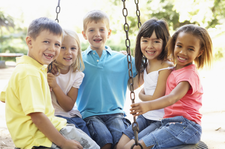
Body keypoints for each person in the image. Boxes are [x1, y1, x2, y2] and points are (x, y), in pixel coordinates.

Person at [0, 17, 99, 149]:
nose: (52, 49)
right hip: (37, 137)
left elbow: (5, 96)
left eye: (57, 44)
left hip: (49, 126)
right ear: (30, 42)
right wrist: (63, 142)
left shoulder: (31, 68)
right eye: (46, 42)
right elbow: (37, 117)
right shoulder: (29, 73)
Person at [128, 24, 213, 149]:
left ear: (199, 52)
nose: (183, 52)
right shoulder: (174, 69)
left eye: (190, 49)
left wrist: (148, 105)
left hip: (185, 126)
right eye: (179, 46)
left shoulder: (189, 74)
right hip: (170, 124)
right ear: (173, 45)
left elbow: (172, 97)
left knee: (137, 147)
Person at [76, 10, 137, 149]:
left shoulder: (122, 59)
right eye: (91, 30)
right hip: (90, 114)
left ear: (108, 33)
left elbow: (146, 67)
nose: (97, 34)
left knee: (119, 141)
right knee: (105, 140)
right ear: (84, 35)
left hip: (116, 113)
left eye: (101, 29)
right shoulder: (78, 60)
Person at [117, 18, 174, 149]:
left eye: (156, 41)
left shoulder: (166, 67)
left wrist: (142, 96)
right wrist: (124, 62)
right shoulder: (147, 63)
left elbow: (156, 97)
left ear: (165, 42)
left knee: (130, 147)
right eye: (145, 40)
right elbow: (133, 85)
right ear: (139, 42)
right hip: (145, 117)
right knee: (119, 146)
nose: (150, 46)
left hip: (160, 120)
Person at [47, 29, 90, 136]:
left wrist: (55, 86)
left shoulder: (77, 75)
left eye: (73, 48)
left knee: (89, 142)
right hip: (54, 118)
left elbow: (68, 106)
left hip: (73, 117)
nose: (68, 52)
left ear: (78, 51)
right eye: (62, 47)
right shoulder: (46, 70)